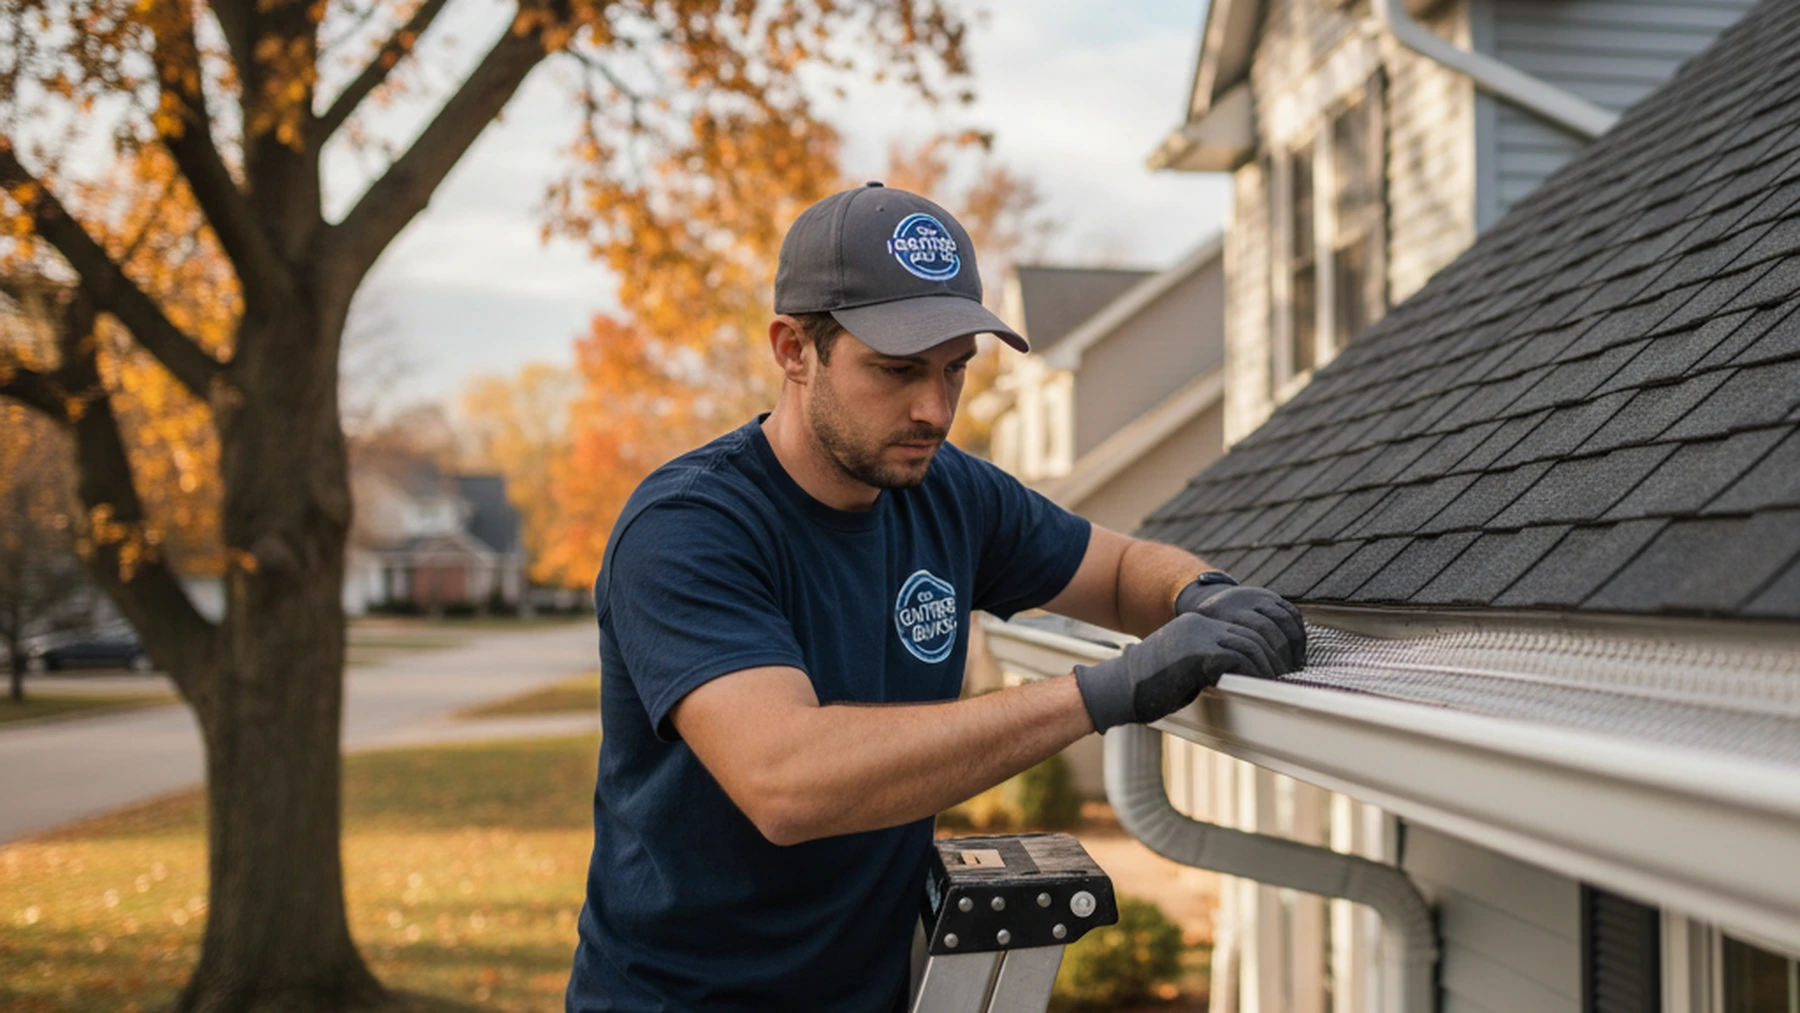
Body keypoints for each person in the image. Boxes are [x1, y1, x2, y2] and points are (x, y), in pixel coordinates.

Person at [565, 182, 1306, 1012]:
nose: (935, 409)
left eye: (956, 370)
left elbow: (1123, 568)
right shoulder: (690, 528)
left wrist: (1199, 593)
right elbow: (787, 781)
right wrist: (1108, 691)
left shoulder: (949, 493)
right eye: (897, 369)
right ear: (793, 349)